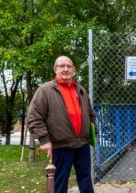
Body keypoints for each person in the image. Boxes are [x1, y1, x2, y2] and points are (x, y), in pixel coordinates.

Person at [27, 56, 95, 193]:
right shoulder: (45, 90)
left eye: (69, 66)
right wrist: (44, 140)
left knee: (86, 180)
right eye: (62, 66)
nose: (66, 69)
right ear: (55, 69)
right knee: (59, 183)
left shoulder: (80, 90)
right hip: (60, 146)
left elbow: (91, 115)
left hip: (82, 145)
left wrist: (92, 132)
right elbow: (33, 117)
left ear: (74, 69)